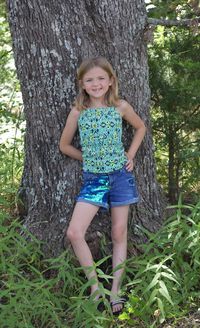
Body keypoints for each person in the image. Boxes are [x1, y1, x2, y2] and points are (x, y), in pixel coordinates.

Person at [59, 57, 146, 315]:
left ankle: (116, 291)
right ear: (82, 85)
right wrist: (89, 158)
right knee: (75, 233)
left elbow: (140, 127)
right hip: (94, 179)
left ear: (110, 81)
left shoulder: (120, 106)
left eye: (100, 78)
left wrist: (130, 155)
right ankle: (96, 289)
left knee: (119, 233)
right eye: (89, 80)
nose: (96, 84)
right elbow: (64, 145)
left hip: (120, 176)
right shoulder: (78, 112)